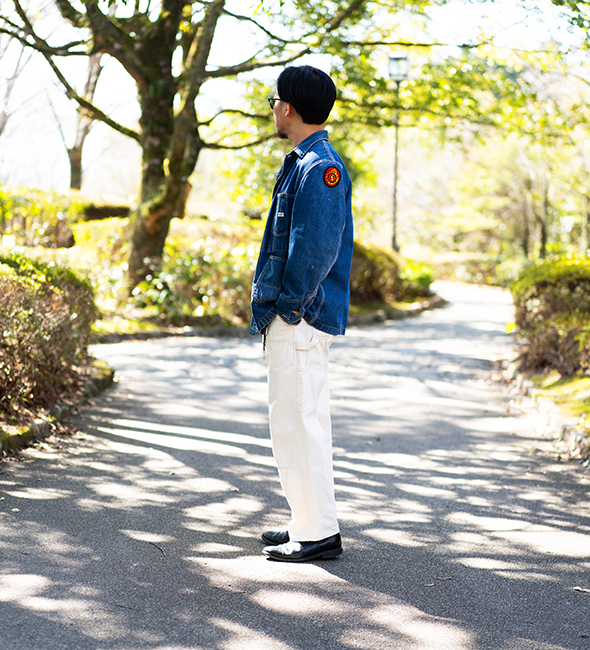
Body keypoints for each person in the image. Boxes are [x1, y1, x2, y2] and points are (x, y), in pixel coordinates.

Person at [250, 65, 354, 562]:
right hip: (295, 318)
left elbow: (315, 251)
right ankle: (306, 523)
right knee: (291, 423)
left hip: (300, 320)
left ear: (287, 107)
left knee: (300, 423)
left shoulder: (320, 168)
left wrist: (289, 311)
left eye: (274, 100)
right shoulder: (303, 162)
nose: (272, 108)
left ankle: (317, 533)